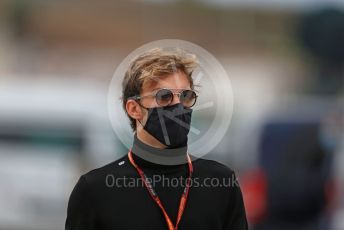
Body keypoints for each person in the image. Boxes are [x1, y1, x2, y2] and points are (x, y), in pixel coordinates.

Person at [65, 48, 248, 230]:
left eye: (185, 96)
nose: (178, 105)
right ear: (134, 109)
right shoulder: (95, 189)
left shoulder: (221, 182)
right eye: (164, 96)